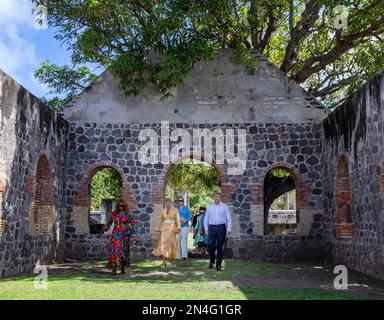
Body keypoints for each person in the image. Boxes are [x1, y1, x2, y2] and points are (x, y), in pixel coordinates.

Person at [99, 198, 139, 275]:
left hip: (125, 235)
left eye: (122, 206)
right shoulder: (114, 214)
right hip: (116, 235)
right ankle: (114, 269)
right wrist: (102, 232)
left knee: (124, 251)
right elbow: (108, 223)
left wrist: (136, 233)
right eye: (120, 205)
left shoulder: (128, 214)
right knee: (114, 251)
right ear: (117, 206)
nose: (121, 207)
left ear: (125, 206)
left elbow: (133, 223)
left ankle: (122, 269)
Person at [204, 192, 232, 271]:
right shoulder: (210, 207)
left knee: (220, 247)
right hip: (211, 228)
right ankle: (212, 260)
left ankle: (218, 265)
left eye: (218, 197)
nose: (217, 198)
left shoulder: (224, 206)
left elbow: (228, 218)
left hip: (221, 228)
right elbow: (206, 218)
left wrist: (229, 228)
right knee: (210, 245)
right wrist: (206, 229)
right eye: (215, 197)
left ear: (220, 198)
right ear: (213, 198)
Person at [153, 198, 181, 271]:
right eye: (166, 202)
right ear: (165, 203)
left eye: (169, 202)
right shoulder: (163, 211)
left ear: (171, 203)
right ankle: (164, 262)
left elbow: (177, 219)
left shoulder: (175, 210)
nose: (167, 204)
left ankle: (172, 259)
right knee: (163, 244)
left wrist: (178, 227)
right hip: (164, 229)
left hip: (172, 229)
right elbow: (160, 220)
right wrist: (157, 227)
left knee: (172, 244)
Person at [175, 196, 191, 260]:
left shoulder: (186, 208)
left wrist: (184, 221)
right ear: (178, 201)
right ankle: (179, 255)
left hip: (185, 226)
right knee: (178, 240)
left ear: (183, 201)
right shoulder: (175, 209)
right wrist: (178, 222)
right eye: (179, 200)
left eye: (182, 201)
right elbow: (174, 216)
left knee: (184, 240)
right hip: (177, 226)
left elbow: (189, 216)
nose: (180, 202)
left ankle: (184, 256)